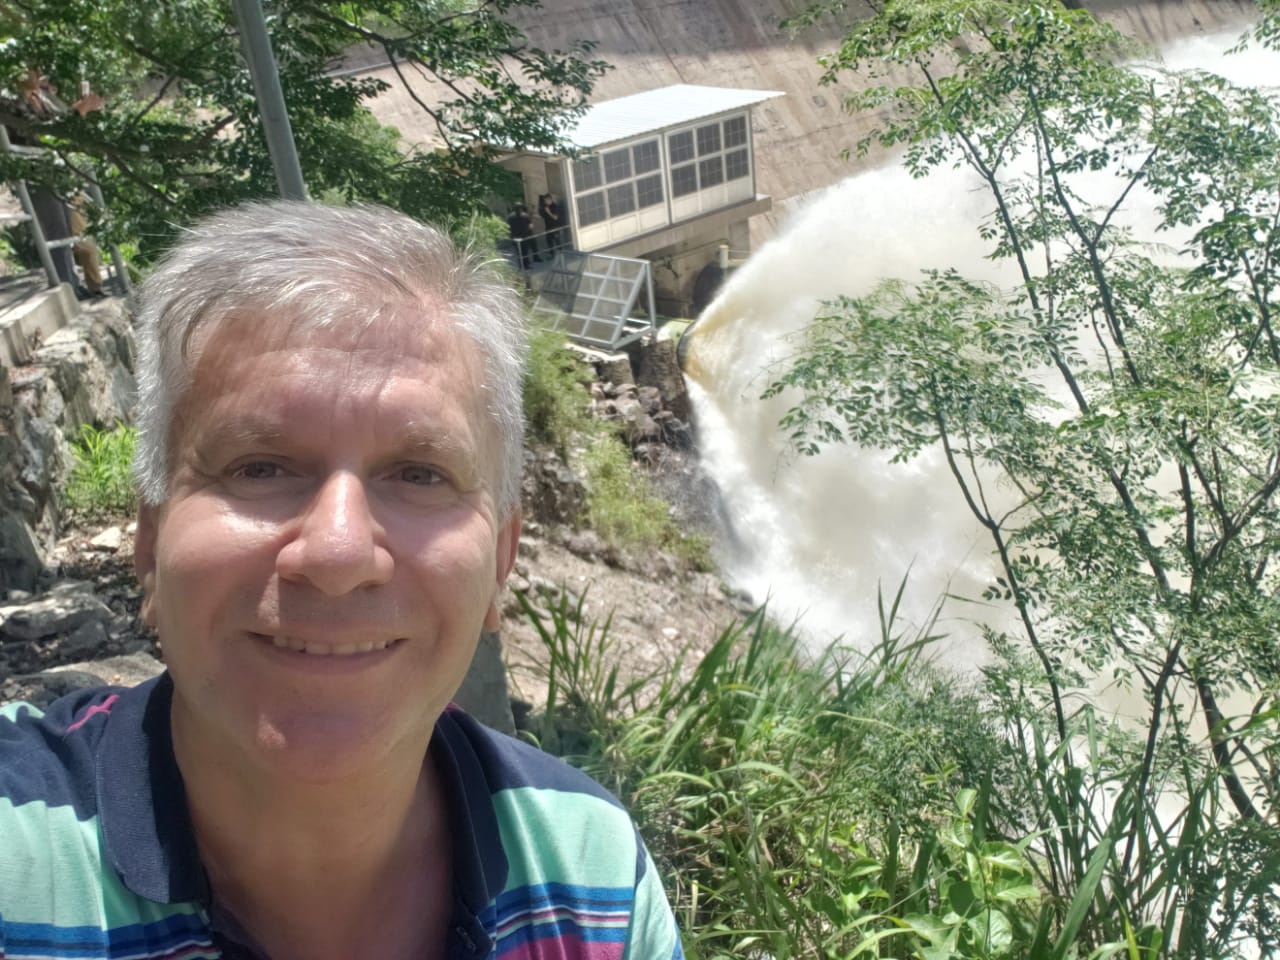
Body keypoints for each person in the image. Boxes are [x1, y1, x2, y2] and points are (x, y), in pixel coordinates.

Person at [0, 202, 684, 960]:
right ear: (151, 541)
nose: (337, 552)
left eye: (420, 474)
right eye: (259, 467)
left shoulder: (592, 876)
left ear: (499, 562)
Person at [506, 202, 534, 270]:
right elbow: (531, 226)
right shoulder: (525, 215)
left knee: (519, 252)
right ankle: (526, 265)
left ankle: (521, 265)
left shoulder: (510, 217)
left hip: (515, 237)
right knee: (525, 252)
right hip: (524, 236)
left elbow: (507, 227)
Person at [538, 192, 566, 260]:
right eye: (544, 201)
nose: (545, 202)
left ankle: (561, 254)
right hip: (548, 227)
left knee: (557, 241)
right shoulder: (545, 207)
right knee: (549, 241)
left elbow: (555, 217)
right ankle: (552, 254)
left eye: (546, 200)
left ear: (550, 199)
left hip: (555, 227)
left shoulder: (554, 206)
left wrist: (549, 212)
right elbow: (543, 216)